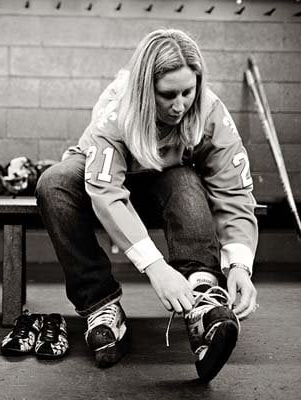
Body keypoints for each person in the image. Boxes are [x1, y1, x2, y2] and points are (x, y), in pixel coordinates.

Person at [35, 29, 258, 382]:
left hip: (166, 180)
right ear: (144, 91)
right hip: (105, 174)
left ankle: (202, 299)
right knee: (54, 182)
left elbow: (232, 191)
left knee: (184, 179)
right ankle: (101, 306)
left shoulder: (210, 112)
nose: (180, 104)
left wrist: (240, 266)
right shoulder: (115, 114)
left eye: (188, 91)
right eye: (168, 95)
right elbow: (106, 192)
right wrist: (155, 267)